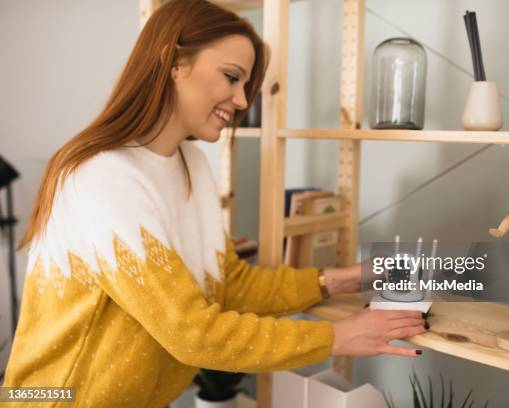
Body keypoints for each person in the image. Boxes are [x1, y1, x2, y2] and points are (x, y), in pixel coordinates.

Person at [3, 1, 427, 406]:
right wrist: (338, 339)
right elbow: (192, 333)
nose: (242, 100)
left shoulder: (191, 164)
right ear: (174, 61)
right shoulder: (101, 176)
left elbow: (228, 284)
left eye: (246, 85)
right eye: (231, 77)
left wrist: (343, 279)